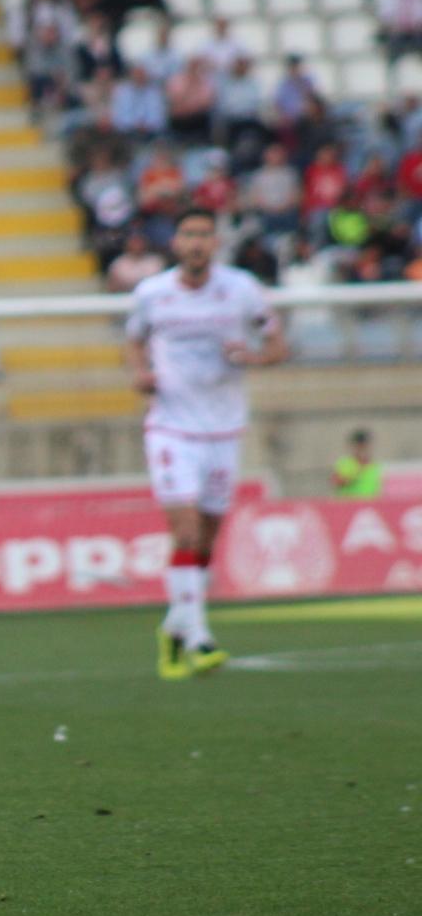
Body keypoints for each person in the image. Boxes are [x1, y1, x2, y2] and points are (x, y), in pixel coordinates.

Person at [124, 208, 287, 682]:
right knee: (187, 530)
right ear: (175, 242)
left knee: (207, 540)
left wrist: (253, 356)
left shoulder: (240, 289)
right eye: (187, 233)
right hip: (171, 428)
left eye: (203, 235)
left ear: (215, 243)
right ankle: (200, 639)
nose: (195, 242)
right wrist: (141, 374)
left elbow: (278, 345)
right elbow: (134, 342)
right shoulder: (152, 294)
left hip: (223, 430)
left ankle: (174, 629)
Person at [332, 429, 382, 499]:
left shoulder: (375, 465)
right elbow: (336, 481)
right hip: (349, 504)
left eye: (364, 445)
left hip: (370, 504)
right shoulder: (345, 463)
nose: (362, 448)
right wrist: (357, 471)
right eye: (359, 445)